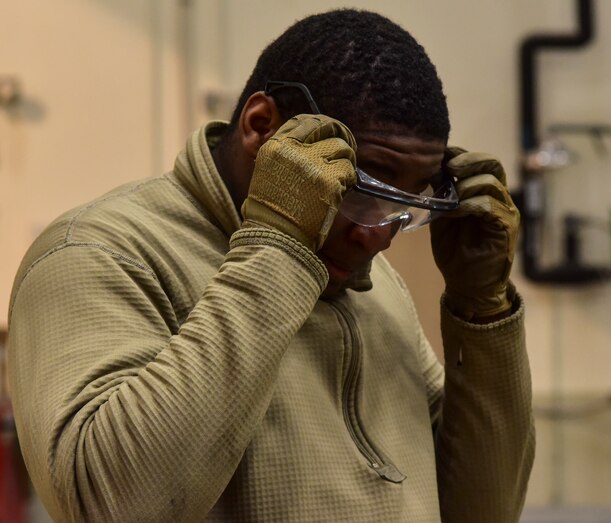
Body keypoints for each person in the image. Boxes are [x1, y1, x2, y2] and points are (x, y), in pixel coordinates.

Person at [7, 9, 534, 522]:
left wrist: (481, 313)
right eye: (359, 191)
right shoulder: (99, 253)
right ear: (261, 127)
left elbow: (482, 511)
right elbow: (113, 506)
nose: (378, 236)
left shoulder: (376, 289)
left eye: (404, 207)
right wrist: (282, 246)